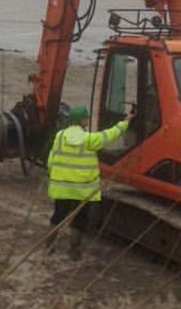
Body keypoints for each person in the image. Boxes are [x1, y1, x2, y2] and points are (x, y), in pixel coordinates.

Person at [45, 105, 132, 259]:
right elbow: (109, 135)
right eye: (86, 118)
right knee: (79, 220)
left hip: (61, 188)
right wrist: (125, 123)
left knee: (58, 216)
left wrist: (54, 175)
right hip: (82, 190)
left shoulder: (60, 136)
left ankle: (49, 247)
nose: (88, 120)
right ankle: (74, 251)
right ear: (82, 121)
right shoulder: (89, 139)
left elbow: (51, 159)